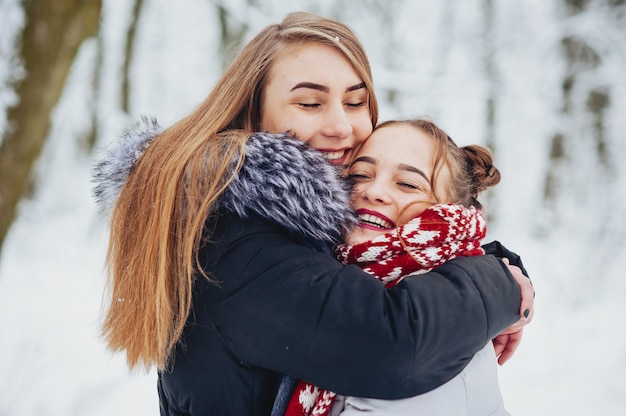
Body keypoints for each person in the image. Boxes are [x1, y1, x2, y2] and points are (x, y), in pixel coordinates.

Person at [91, 11, 533, 415]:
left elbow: (376, 267)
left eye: (355, 102)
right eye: (310, 103)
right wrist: (497, 283)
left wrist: (493, 261)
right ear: (252, 113)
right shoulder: (234, 239)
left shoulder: (309, 223)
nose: (341, 126)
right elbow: (391, 343)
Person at [285, 118, 513, 416]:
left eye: (407, 183)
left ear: (451, 211)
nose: (374, 191)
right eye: (360, 175)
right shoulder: (340, 280)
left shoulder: (424, 335)